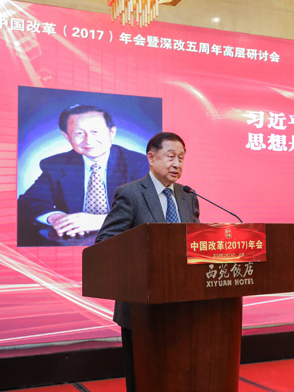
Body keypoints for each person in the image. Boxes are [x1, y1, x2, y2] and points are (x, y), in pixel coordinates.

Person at [95, 132, 200, 392]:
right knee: (144, 379)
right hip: (141, 305)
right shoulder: (130, 194)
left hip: (182, 304)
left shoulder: (188, 195)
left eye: (181, 158)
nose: (177, 164)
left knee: (177, 375)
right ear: (151, 158)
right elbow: (105, 242)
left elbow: (195, 242)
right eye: (171, 156)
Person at [17, 104, 149, 245]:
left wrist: (100, 221)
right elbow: (28, 202)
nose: (89, 140)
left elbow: (149, 207)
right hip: (74, 242)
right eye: (79, 133)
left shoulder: (139, 163)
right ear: (66, 136)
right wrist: (57, 218)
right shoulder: (56, 165)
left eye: (95, 132)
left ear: (112, 132)